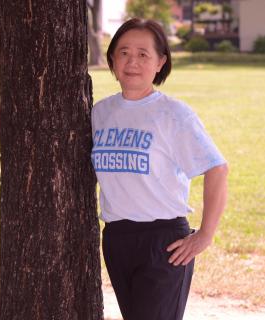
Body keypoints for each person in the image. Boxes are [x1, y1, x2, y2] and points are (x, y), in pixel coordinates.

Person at [92, 18, 228, 320]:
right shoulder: (100, 113)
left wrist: (205, 234)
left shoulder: (173, 114)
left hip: (164, 241)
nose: (132, 62)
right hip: (117, 238)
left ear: (160, 62)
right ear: (112, 59)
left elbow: (217, 168)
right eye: (124, 52)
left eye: (143, 54)